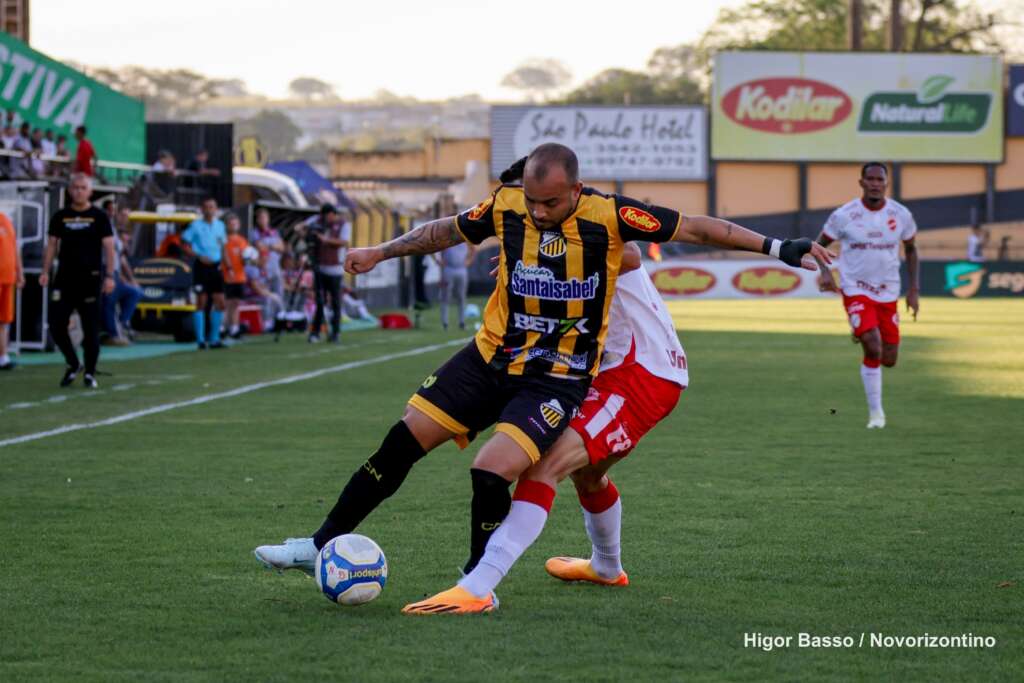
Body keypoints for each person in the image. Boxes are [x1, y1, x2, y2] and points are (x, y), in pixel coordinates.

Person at [253, 144, 831, 612]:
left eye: (549, 203)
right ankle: (318, 543)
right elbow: (446, 230)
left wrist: (780, 247)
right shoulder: (506, 207)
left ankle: (476, 584)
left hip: (556, 377)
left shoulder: (611, 220)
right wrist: (379, 251)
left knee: (493, 470)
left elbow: (697, 229)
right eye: (530, 200)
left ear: (575, 191)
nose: (537, 212)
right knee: (402, 439)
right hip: (491, 356)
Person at [404, 242, 685, 613]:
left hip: (640, 373)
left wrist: (545, 258)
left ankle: (478, 587)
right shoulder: (550, 230)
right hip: (613, 370)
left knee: (545, 464)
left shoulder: (592, 219)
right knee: (586, 474)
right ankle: (605, 566)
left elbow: (629, 252)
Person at [817, 162, 919, 429]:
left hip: (888, 292)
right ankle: (877, 414)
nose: (875, 183)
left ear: (886, 183)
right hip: (855, 288)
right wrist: (825, 272)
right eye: (870, 179)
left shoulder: (901, 214)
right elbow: (819, 245)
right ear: (861, 182)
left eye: (880, 179)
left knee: (889, 359)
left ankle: (860, 329)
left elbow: (911, 250)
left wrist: (913, 289)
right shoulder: (844, 215)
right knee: (872, 346)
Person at [39, 173, 116, 388]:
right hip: (64, 279)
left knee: (91, 329)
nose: (79, 191)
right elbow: (52, 245)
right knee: (56, 324)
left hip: (90, 280)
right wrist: (45, 270)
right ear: (69, 190)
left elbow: (109, 248)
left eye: (83, 188)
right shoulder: (61, 216)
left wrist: (109, 276)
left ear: (90, 191)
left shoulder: (99, 217)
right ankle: (73, 363)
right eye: (75, 187)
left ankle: (90, 372)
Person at [181, 196, 228, 350]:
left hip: (216, 267)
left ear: (216, 209)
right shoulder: (195, 226)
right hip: (201, 266)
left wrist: (227, 264)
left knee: (220, 302)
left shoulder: (220, 226)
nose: (209, 210)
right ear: (202, 209)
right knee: (201, 301)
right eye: (206, 207)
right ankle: (200, 340)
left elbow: (222, 246)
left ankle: (214, 338)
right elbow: (184, 244)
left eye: (212, 207)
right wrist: (198, 255)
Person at [304, 203, 349, 343]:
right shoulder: (317, 221)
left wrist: (325, 240)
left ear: (333, 214)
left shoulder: (343, 225)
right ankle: (315, 332)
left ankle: (335, 333)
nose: (326, 219)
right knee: (319, 302)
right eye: (323, 216)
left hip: (335, 269)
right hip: (319, 267)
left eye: (328, 216)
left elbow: (343, 242)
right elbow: (301, 227)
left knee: (336, 302)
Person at [101, 205, 143, 344]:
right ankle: (113, 334)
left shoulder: (116, 232)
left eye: (127, 215)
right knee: (109, 302)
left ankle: (123, 322)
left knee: (135, 292)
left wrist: (130, 279)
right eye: (122, 215)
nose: (125, 218)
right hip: (106, 271)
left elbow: (122, 258)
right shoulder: (103, 228)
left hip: (116, 273)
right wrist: (109, 275)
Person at [251, 208, 286, 324]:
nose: (263, 220)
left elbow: (282, 248)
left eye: (265, 217)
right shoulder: (254, 233)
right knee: (266, 295)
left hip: (276, 267)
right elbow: (259, 247)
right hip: (263, 267)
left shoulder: (274, 232)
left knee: (279, 293)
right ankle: (267, 321)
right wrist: (273, 246)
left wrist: (269, 246)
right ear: (257, 220)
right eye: (260, 218)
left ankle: (280, 319)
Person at [0, 209, 23, 370]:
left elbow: (14, 248)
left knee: (4, 320)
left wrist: (19, 272)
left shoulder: (5, 220)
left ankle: (3, 357)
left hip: (8, 279)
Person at [434, 241, 475, 330]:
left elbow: (473, 250)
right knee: (445, 296)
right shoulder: (447, 239)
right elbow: (439, 251)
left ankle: (462, 322)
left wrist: (468, 262)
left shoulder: (465, 239)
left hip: (461, 269)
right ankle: (445, 323)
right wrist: (440, 265)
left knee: (461, 296)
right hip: (449, 269)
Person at [221, 213, 248, 339]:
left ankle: (234, 328)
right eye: (231, 224)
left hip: (240, 275)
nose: (234, 226)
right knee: (226, 303)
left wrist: (249, 258)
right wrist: (229, 268)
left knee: (236, 303)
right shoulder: (224, 239)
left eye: (236, 223)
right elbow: (224, 254)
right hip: (227, 275)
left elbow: (246, 257)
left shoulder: (242, 240)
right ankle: (222, 328)